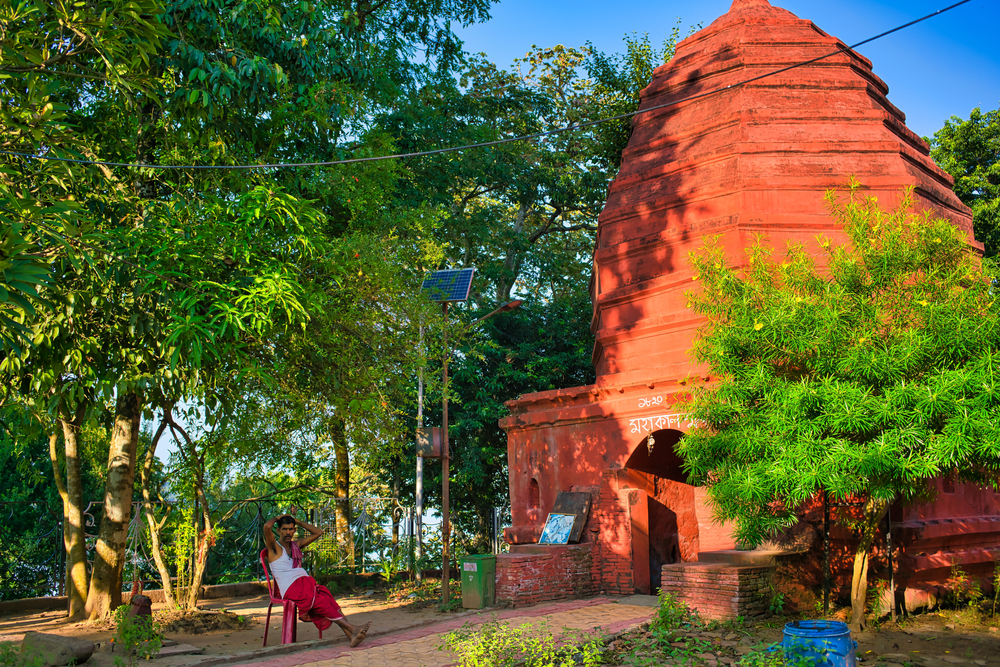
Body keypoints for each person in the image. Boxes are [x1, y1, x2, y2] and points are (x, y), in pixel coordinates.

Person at [264, 510, 371, 647]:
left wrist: (298, 521)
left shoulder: (295, 545)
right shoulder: (274, 547)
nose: (288, 532)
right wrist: (278, 517)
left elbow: (318, 532)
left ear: (294, 530)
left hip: (304, 583)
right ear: (278, 530)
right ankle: (353, 628)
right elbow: (267, 527)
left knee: (327, 598)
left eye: (291, 529)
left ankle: (351, 636)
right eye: (284, 529)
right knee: (320, 601)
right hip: (291, 587)